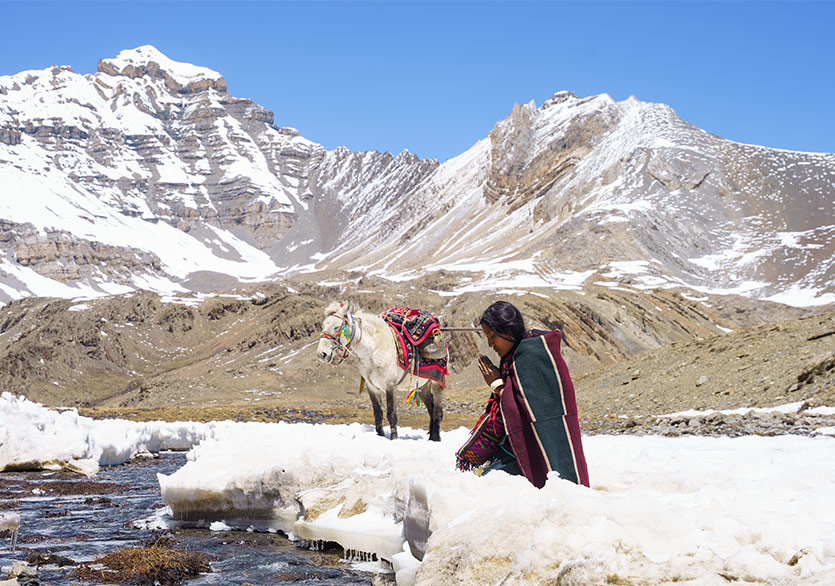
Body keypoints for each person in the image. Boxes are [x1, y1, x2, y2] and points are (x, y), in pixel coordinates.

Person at [477, 300, 589, 488]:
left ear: (508, 331)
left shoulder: (532, 356)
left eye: (492, 336)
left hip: (540, 449)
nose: (490, 344)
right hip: (517, 448)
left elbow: (531, 411)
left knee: (488, 488)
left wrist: (497, 385)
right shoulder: (512, 359)